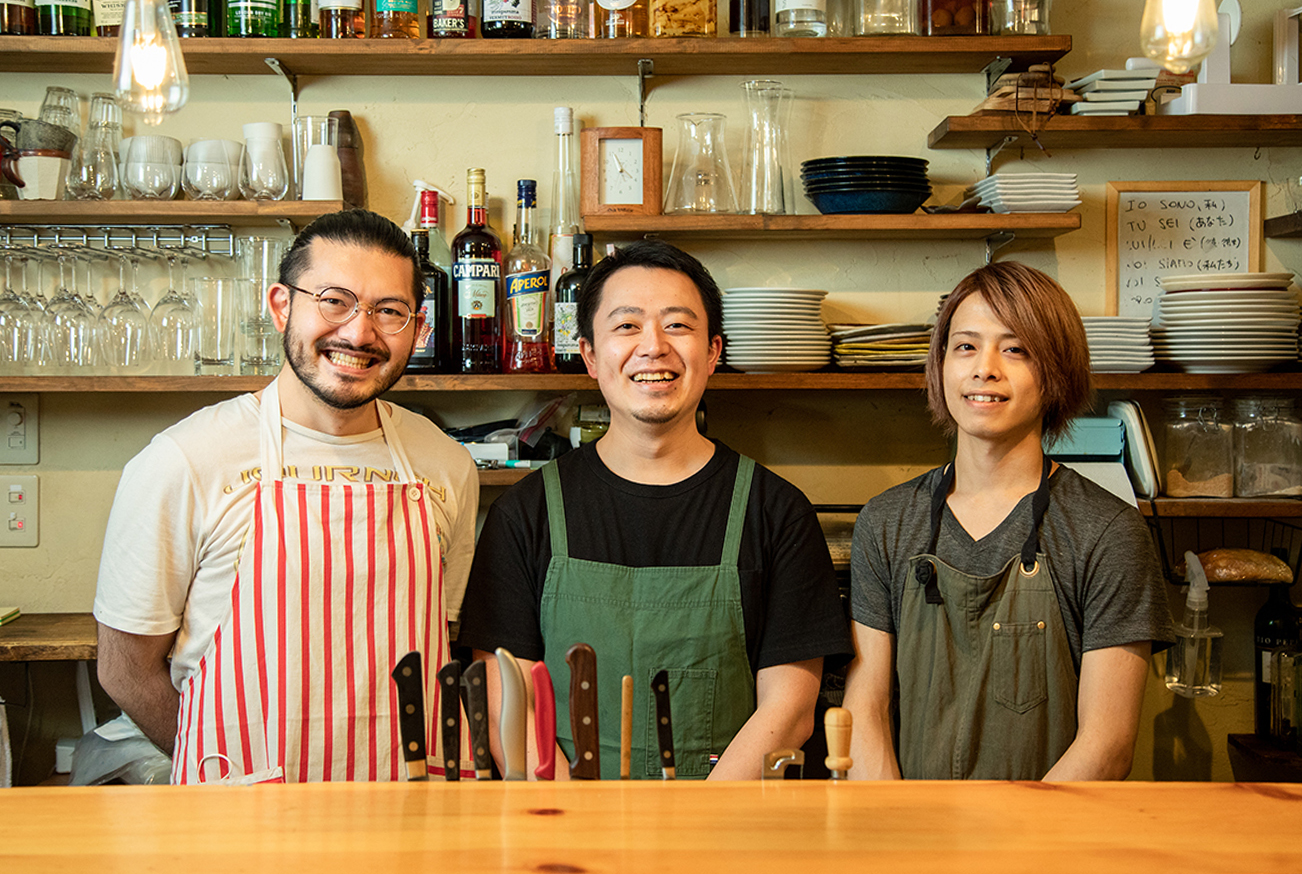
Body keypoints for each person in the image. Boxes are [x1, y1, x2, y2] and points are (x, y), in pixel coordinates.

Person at [94, 210, 478, 784]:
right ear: (281, 305)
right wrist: (216, 768)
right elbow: (125, 671)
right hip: (238, 821)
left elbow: (442, 638)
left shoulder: (446, 464)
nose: (358, 333)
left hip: (411, 811)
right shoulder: (185, 461)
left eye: (388, 312)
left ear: (417, 330)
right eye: (333, 300)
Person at [458, 239, 853, 780]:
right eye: (626, 326)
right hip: (563, 836)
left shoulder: (776, 513)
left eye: (678, 326)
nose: (653, 347)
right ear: (591, 355)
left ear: (714, 351)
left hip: (724, 840)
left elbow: (788, 712)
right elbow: (507, 696)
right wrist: (560, 816)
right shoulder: (525, 514)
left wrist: (695, 833)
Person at [843, 261, 1173, 781]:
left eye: (1016, 349)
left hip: (1047, 846)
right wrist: (898, 831)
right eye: (966, 346)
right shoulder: (886, 522)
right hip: (914, 841)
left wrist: (1013, 850)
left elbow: (1107, 746)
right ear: (941, 365)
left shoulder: (1108, 532)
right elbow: (865, 709)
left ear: (1057, 372)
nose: (985, 369)